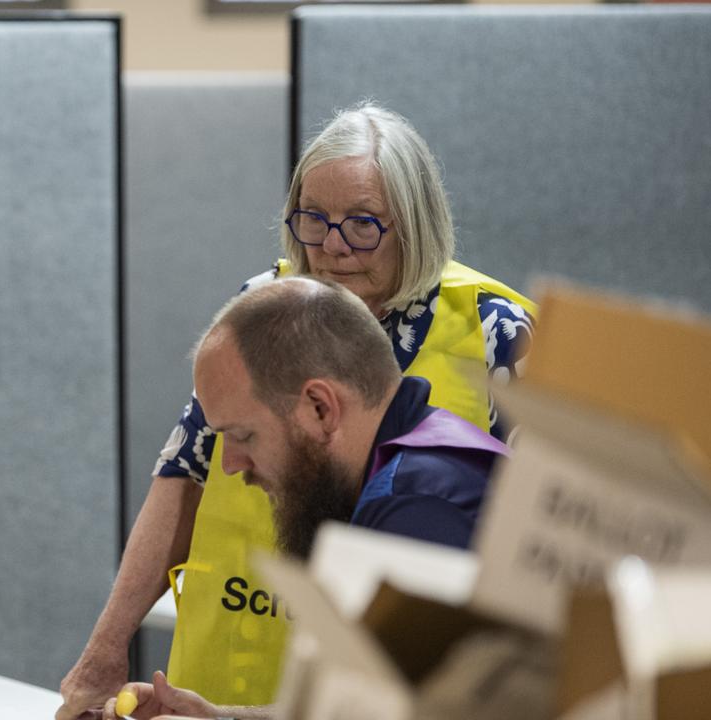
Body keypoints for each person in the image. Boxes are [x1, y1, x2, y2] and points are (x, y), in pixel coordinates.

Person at [57, 102, 536, 717]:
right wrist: (106, 648)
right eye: (314, 219)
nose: (333, 247)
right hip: (235, 674)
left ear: (416, 225)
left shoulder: (495, 330)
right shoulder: (267, 304)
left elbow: (540, 542)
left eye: (363, 224)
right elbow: (184, 474)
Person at [99, 276, 510, 720]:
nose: (231, 465)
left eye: (242, 435)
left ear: (320, 408)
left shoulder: (418, 508)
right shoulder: (420, 465)